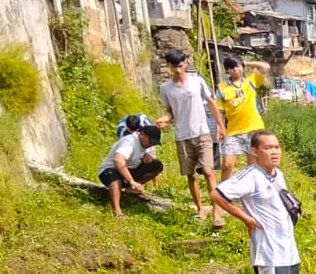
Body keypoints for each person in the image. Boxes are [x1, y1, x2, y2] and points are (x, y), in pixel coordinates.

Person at [211, 130, 302, 274]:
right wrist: (246, 218)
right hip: (267, 252)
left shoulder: (277, 175)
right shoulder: (250, 176)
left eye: (277, 147)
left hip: (288, 250)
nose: (274, 152)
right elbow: (217, 194)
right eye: (268, 148)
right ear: (254, 151)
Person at [155, 49, 226, 228]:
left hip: (202, 132)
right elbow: (170, 112)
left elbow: (211, 103)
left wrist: (220, 125)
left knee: (209, 172)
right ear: (169, 67)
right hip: (182, 136)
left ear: (185, 64)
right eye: (174, 67)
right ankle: (200, 210)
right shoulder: (165, 88)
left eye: (180, 66)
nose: (178, 70)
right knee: (191, 175)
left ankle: (217, 213)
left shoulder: (197, 82)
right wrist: (164, 119)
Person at [215, 55, 271, 178]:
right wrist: (220, 127)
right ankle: (224, 193)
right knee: (227, 165)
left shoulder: (251, 81)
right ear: (227, 71)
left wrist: (245, 62)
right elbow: (219, 110)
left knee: (252, 166)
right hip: (233, 131)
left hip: (253, 129)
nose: (235, 69)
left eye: (238, 66)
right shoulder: (222, 88)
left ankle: (250, 193)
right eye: (231, 67)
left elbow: (266, 67)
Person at [97, 122, 163, 218]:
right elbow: (118, 160)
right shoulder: (129, 142)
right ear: (142, 135)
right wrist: (131, 181)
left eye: (153, 143)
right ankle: (117, 210)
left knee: (157, 165)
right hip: (109, 171)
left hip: (129, 170)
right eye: (150, 141)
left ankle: (131, 189)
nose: (151, 144)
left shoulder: (146, 145)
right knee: (114, 176)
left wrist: (147, 156)